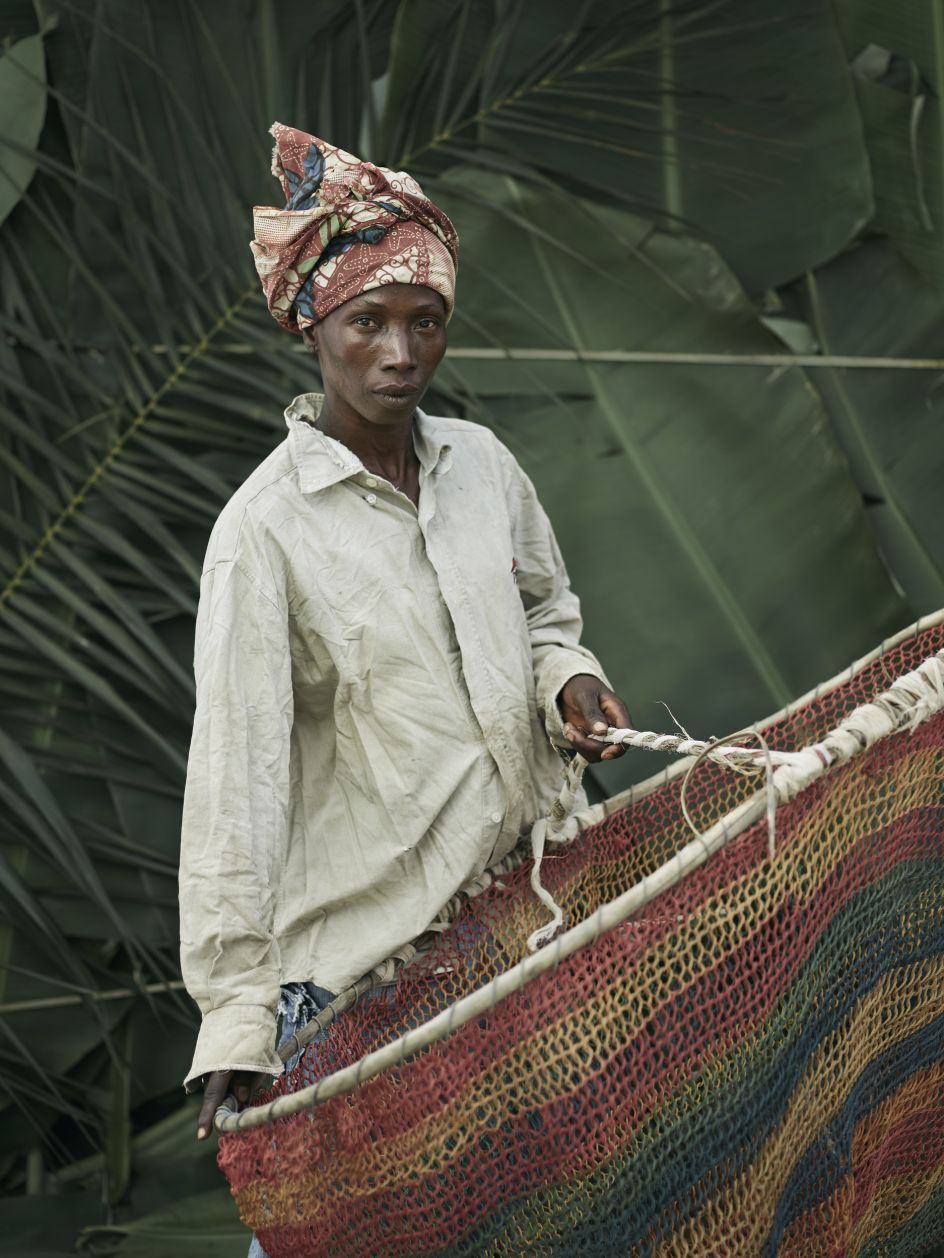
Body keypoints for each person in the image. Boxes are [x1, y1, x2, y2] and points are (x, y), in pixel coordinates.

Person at [178, 124, 632, 1148]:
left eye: (424, 321)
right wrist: (238, 1020)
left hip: (524, 924)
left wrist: (567, 683)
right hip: (362, 978)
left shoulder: (479, 464)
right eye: (367, 319)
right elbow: (234, 780)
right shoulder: (264, 533)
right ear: (311, 323)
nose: (399, 352)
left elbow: (544, 615)